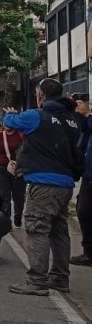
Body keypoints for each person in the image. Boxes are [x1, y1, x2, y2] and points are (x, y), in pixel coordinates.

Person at [4, 78, 84, 296]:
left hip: (42, 183)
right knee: (59, 230)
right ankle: (60, 277)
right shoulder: (72, 119)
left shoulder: (36, 116)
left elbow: (10, 122)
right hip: (66, 184)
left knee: (37, 229)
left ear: (40, 96)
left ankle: (37, 280)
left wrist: (10, 112)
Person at [71, 93, 92, 267]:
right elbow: (84, 132)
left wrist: (87, 114)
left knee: (84, 211)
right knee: (83, 211)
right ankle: (88, 252)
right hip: (88, 175)